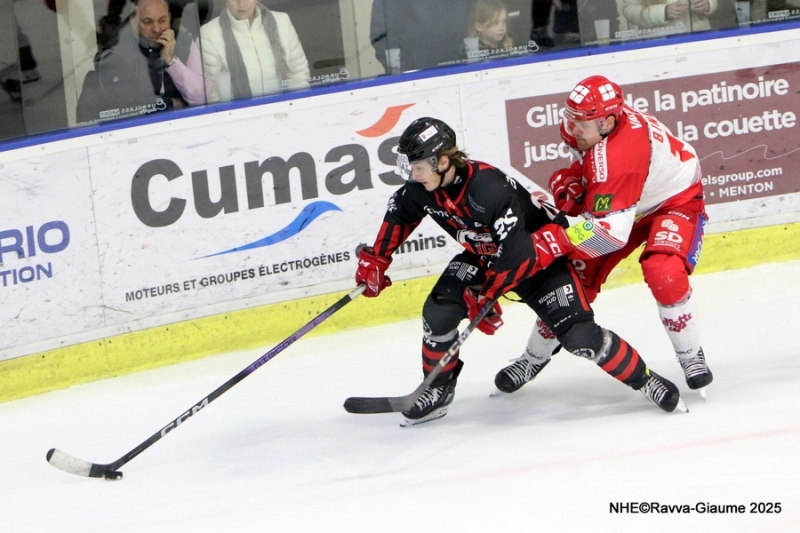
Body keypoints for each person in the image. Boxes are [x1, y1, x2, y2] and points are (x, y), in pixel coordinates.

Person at [354, 117, 687, 426]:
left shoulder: (488, 188)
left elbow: (516, 256)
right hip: (486, 257)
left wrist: (483, 293)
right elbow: (401, 212)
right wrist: (377, 259)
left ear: (443, 162)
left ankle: (647, 380)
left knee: (580, 338)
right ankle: (437, 389)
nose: (413, 175)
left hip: (539, 261)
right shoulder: (423, 187)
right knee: (438, 313)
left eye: (418, 167)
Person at [503, 75, 713, 399]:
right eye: (570, 119)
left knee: (664, 272)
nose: (571, 130)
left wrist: (554, 241)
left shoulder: (621, 157)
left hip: (673, 199)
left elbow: (608, 234)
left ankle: (690, 355)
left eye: (580, 124)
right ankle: (533, 357)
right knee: (572, 284)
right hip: (624, 201)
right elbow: (589, 171)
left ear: (608, 123)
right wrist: (570, 179)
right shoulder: (590, 129)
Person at [79, 0, 208, 122]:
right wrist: (170, 104)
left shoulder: (184, 42)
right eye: (148, 22)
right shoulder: (115, 52)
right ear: (134, 22)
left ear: (169, 17)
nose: (157, 29)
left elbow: (202, 97)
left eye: (162, 20)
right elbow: (126, 106)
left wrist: (172, 61)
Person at [200, 0, 309, 103]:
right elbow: (212, 93)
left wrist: (295, 107)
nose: (241, 4)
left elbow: (298, 72)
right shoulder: (209, 34)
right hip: (239, 115)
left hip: (285, 110)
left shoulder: (282, 22)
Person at [370, 0, 474, 73]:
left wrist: (475, 65)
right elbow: (383, 40)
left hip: (466, 73)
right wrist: (406, 75)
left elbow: (480, 21)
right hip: (416, 80)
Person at [622, 0, 720, 34]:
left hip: (699, 36)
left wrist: (709, 3)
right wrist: (663, 11)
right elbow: (629, 10)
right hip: (660, 42)